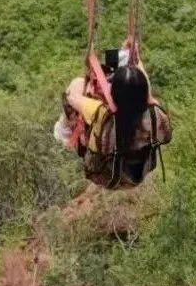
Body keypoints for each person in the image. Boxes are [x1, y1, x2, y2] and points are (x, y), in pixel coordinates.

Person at [55, 52, 172, 189]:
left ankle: (62, 133)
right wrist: (136, 58)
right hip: (137, 174)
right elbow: (167, 136)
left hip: (105, 176)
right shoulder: (155, 115)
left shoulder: (100, 113)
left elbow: (70, 96)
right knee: (124, 56)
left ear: (112, 95)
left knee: (76, 84)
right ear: (144, 95)